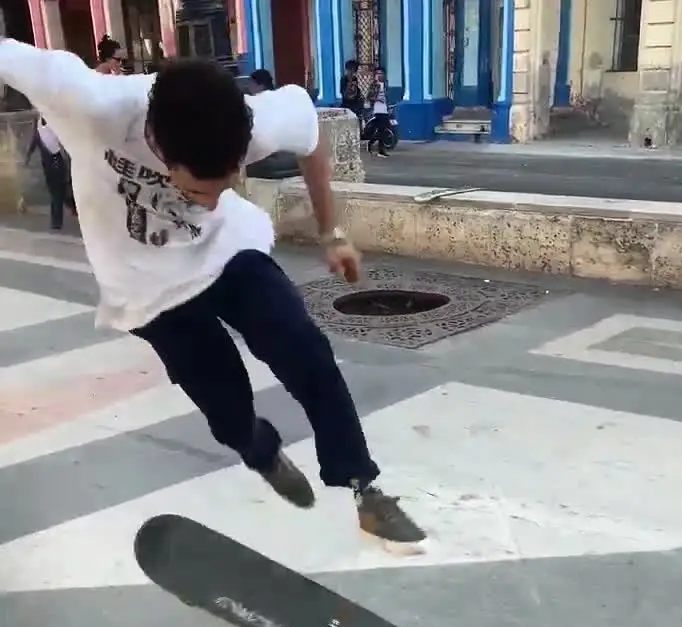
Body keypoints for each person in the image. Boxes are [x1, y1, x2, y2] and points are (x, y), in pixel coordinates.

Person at [0, 45, 424, 547]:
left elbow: (311, 138)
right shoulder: (88, 101)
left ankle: (363, 487)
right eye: (199, 191)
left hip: (228, 252)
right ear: (158, 145)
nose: (211, 199)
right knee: (226, 402)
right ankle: (258, 448)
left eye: (225, 184)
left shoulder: (254, 121)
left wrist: (330, 233)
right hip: (146, 287)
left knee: (305, 349)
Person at [26, 115, 71, 231]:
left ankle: (57, 221)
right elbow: (35, 139)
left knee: (58, 192)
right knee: (56, 192)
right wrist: (28, 156)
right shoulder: (39, 121)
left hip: (56, 161)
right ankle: (57, 220)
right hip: (49, 163)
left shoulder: (54, 122)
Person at [365, 66, 390, 157]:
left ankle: (371, 143)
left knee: (383, 129)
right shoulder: (374, 85)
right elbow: (369, 97)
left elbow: (387, 96)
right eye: (378, 73)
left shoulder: (385, 84)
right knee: (381, 129)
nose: (379, 75)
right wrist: (378, 99)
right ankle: (380, 150)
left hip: (384, 109)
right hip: (377, 109)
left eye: (381, 73)